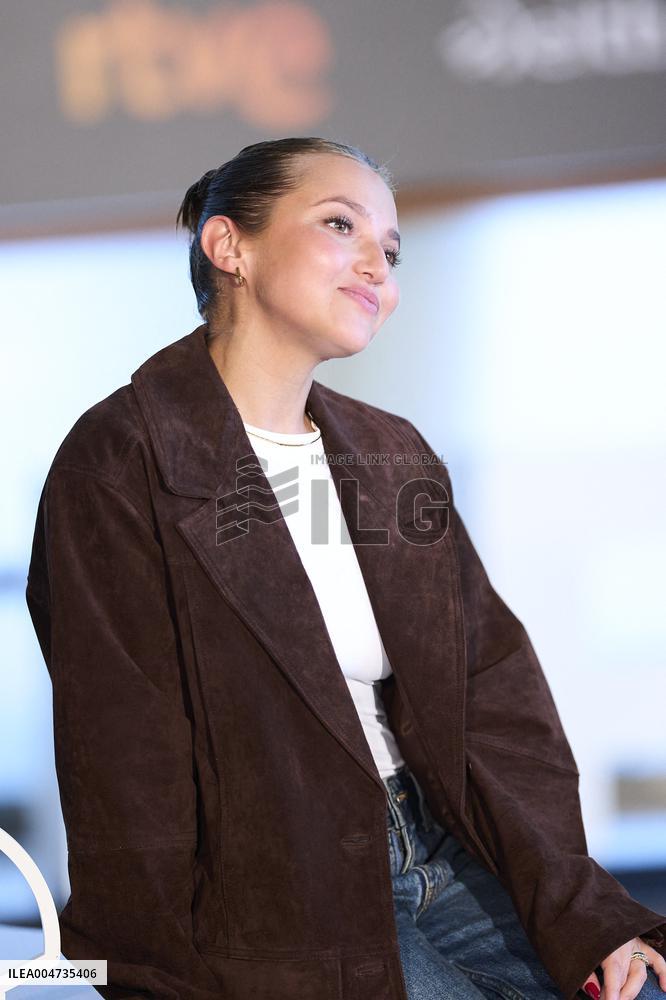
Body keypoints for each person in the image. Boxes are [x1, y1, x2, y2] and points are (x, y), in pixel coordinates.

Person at [25, 137, 666, 1000]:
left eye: (393, 252)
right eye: (342, 225)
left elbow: (496, 699)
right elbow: (121, 760)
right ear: (231, 248)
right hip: (281, 902)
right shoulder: (117, 462)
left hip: (453, 852)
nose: (380, 268)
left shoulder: (392, 453)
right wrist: (155, 980)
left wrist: (586, 910)